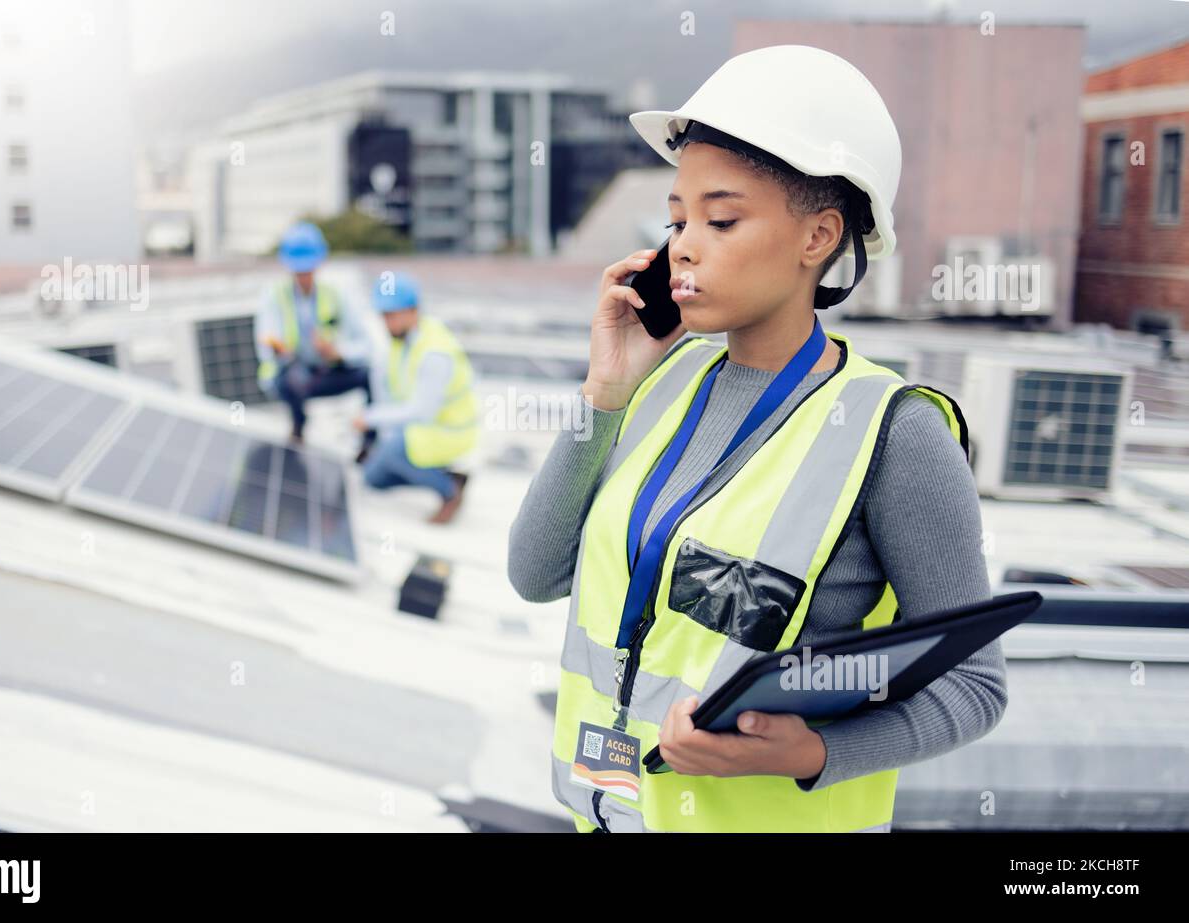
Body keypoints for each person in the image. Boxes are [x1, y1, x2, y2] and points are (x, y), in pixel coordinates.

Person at [507, 45, 1008, 833]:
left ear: (818, 237)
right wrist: (602, 393)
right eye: (676, 220)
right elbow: (534, 572)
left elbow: (973, 688)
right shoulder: (658, 383)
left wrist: (809, 753)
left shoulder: (896, 434)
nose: (684, 246)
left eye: (721, 218)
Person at [355, 271, 480, 524]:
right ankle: (447, 474)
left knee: (391, 453)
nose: (386, 323)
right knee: (372, 479)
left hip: (449, 431)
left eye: (391, 316)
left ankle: (449, 491)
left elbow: (422, 411)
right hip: (422, 429)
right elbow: (390, 392)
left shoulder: (435, 351)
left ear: (413, 312)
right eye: (383, 317)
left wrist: (371, 419)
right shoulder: (401, 342)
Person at [254, 221, 375, 447]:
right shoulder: (274, 296)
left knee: (371, 373)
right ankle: (298, 428)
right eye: (298, 271)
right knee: (290, 378)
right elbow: (265, 347)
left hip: (326, 371)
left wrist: (339, 353)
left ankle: (369, 439)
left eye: (307, 269)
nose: (303, 276)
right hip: (292, 375)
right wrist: (283, 352)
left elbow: (366, 345)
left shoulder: (336, 294)